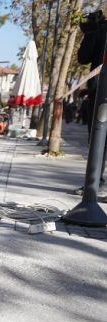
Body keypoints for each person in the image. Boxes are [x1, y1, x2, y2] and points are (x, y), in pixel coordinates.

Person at [73, 10, 107, 198]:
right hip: (100, 91)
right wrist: (92, 32)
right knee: (97, 139)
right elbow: (83, 57)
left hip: (99, 91)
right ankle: (93, 184)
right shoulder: (101, 29)